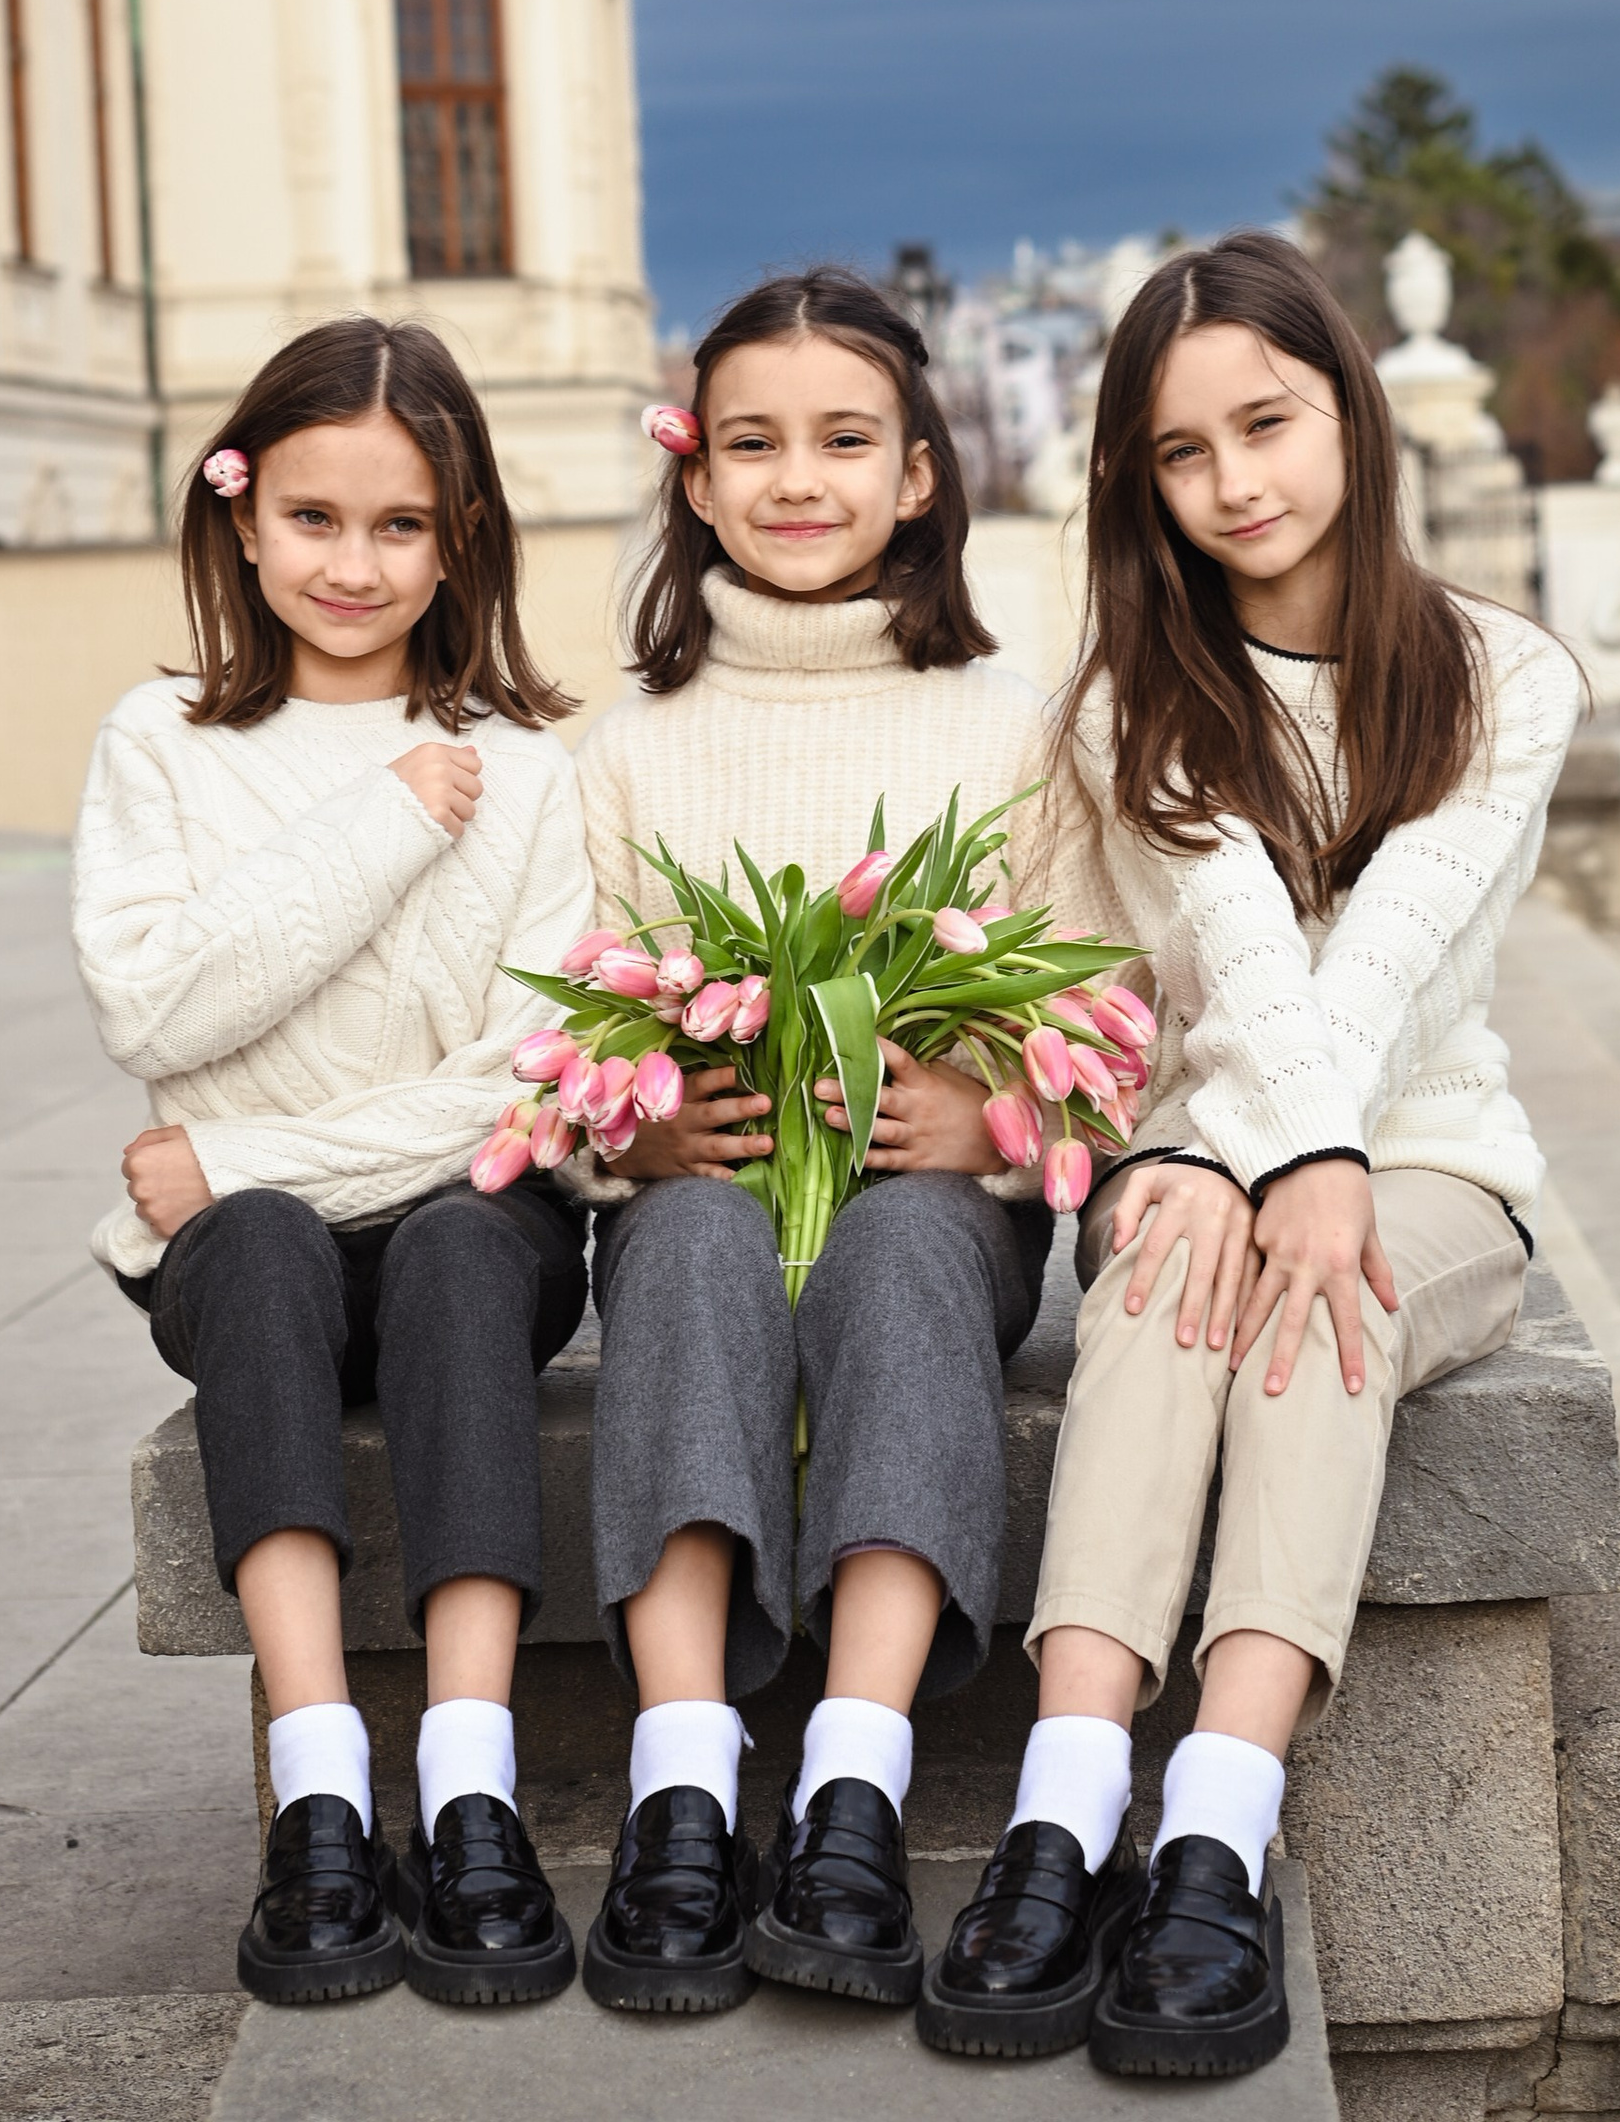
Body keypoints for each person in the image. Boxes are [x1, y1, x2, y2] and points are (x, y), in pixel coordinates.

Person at [922, 232, 1581, 2075]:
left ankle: (1212, 1825)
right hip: (1206, 1142)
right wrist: (1208, 1164)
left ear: (1349, 414)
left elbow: (1382, 962)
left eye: (1267, 425)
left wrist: (1299, 1165)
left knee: (1327, 1295)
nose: (1237, 485)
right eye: (1183, 457)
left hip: (1432, 1155)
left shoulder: (1505, 676)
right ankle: (1062, 1814)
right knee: (1170, 1271)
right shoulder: (1141, 693)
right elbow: (1242, 960)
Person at [70, 318, 596, 2014]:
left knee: (453, 1240)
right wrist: (381, 814)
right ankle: (318, 1796)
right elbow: (155, 990)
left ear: (460, 542)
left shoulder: (526, 773)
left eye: (399, 527)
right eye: (313, 518)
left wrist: (229, 1146)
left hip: (462, 1240)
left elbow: (524, 1089)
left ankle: (466, 1785)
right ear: (239, 513)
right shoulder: (160, 739)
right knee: (274, 1248)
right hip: (249, 1265)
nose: (353, 565)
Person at [573, 268, 1050, 2020]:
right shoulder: (628, 749)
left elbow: (1112, 1008)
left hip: (938, 1207)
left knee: (908, 1250)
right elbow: (563, 1023)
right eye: (753, 444)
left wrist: (986, 1120)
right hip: (708, 1192)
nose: (798, 479)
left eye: (845, 441)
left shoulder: (1009, 724)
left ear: (919, 473)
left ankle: (853, 1784)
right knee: (689, 1250)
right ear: (693, 477)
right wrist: (639, 1133)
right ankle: (684, 1786)